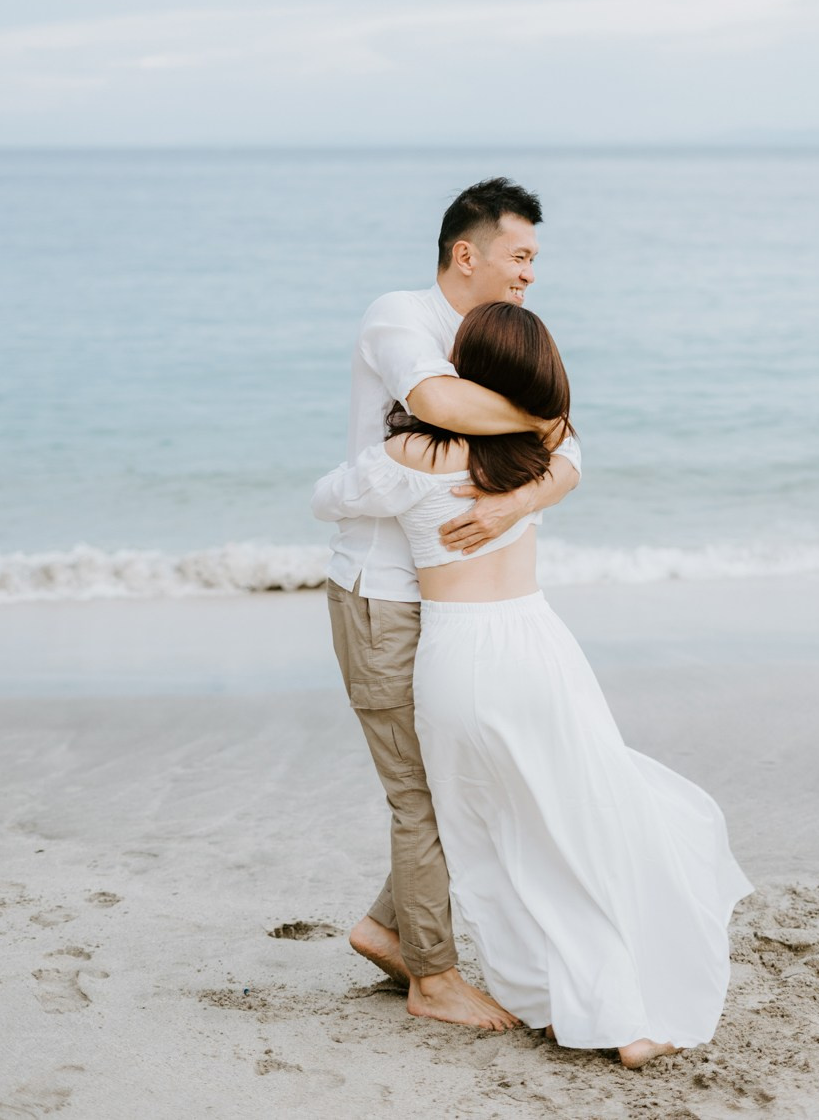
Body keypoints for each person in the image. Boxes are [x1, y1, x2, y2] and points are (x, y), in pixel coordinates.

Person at [312, 301, 753, 1068]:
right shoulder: (542, 449)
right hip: (541, 647)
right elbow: (573, 451)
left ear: (466, 375)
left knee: (490, 838)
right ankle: (610, 1006)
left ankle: (563, 1002)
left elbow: (328, 498)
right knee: (570, 822)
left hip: (455, 660)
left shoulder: (416, 453)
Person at [318, 178, 582, 1031]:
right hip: (384, 596)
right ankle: (431, 975)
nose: (530, 275)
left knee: (461, 779)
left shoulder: (492, 337)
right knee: (420, 793)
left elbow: (576, 457)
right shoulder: (399, 317)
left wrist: (518, 500)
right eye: (521, 255)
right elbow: (435, 404)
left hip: (459, 611)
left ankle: (390, 927)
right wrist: (545, 417)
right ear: (467, 253)